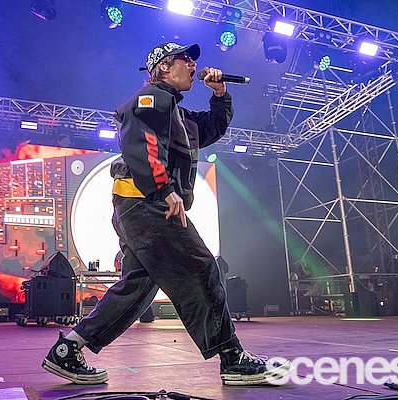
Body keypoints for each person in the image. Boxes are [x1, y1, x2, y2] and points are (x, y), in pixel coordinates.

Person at [42, 42, 292, 386]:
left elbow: (212, 127)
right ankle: (231, 358)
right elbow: (142, 141)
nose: (193, 65)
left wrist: (219, 94)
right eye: (184, 59)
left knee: (139, 286)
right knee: (202, 267)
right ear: (162, 67)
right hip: (146, 204)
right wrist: (162, 189)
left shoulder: (179, 115)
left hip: (138, 206)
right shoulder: (152, 98)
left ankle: (68, 349)